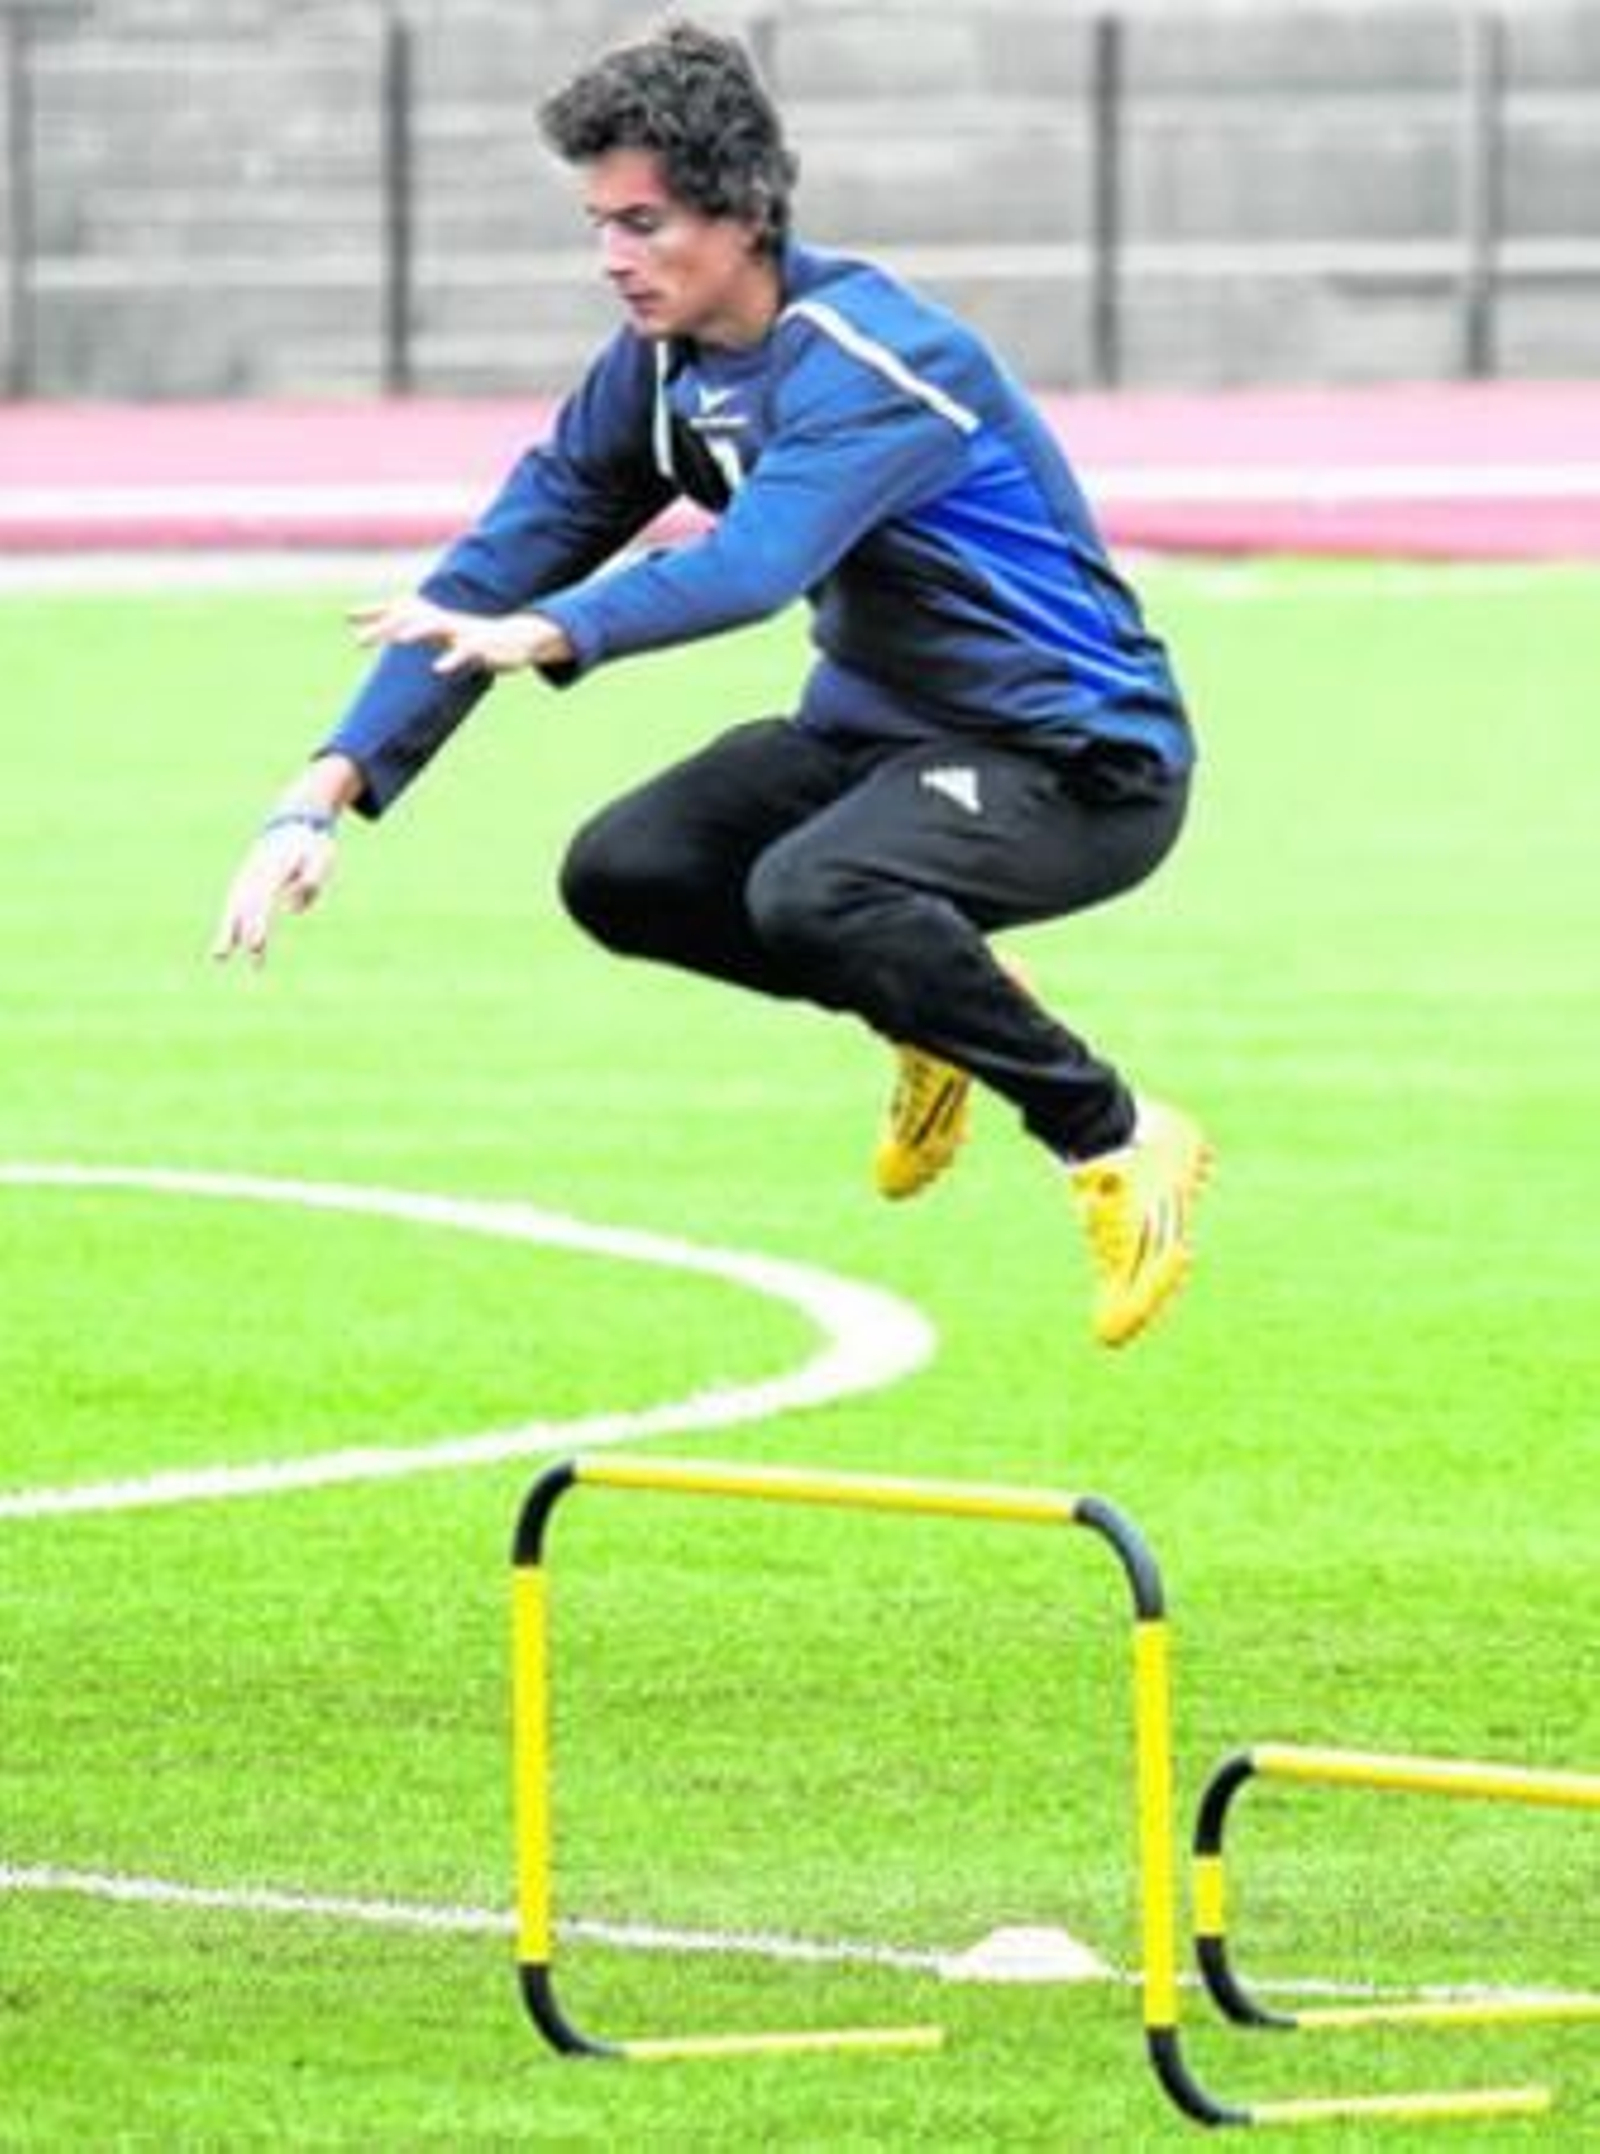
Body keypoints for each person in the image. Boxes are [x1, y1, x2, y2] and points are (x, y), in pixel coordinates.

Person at [213, 19, 1211, 1349]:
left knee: (818, 890)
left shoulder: (875, 363)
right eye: (597, 223)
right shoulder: (662, 372)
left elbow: (751, 567)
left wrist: (557, 631)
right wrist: (321, 790)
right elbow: (498, 558)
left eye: (645, 221)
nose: (614, 258)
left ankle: (1118, 1134)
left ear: (742, 209)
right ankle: (932, 997)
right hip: (880, 742)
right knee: (626, 869)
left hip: (1079, 763)